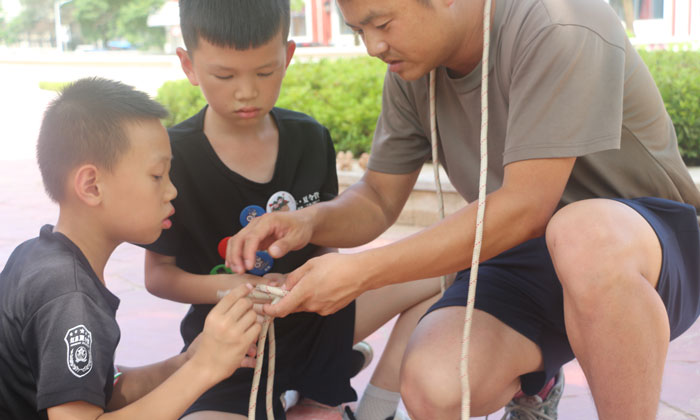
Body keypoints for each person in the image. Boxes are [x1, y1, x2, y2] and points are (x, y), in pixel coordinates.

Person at [225, 0, 700, 419]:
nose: (372, 46)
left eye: (382, 23)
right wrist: (309, 221)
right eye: (357, 31)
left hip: (645, 249)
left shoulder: (559, 19)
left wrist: (360, 273)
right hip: (524, 258)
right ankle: (539, 381)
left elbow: (526, 207)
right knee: (433, 386)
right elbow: (376, 197)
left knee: (580, 232)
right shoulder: (414, 67)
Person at [142, 1, 441, 419]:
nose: (246, 91)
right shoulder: (174, 157)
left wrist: (309, 285)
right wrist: (240, 288)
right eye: (224, 75)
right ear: (189, 65)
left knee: (440, 274)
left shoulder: (310, 138)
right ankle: (319, 381)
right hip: (235, 346)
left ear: (288, 57)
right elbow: (159, 276)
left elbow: (326, 247)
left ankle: (368, 406)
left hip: (316, 322)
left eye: (265, 72)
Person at [0, 78, 262, 420]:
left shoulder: (35, 256)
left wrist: (187, 363)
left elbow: (97, 388)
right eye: (157, 176)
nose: (172, 192)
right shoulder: (71, 297)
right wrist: (205, 369)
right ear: (92, 185)